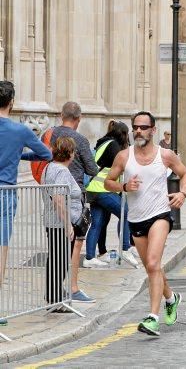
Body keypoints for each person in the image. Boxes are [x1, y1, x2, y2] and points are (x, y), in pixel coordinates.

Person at [104, 111, 186, 336]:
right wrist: (123, 187)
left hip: (160, 215)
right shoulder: (124, 156)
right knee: (152, 268)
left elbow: (185, 174)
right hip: (136, 219)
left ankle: (152, 317)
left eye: (143, 127)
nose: (139, 131)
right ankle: (171, 298)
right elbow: (107, 182)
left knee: (153, 263)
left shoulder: (166, 155)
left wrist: (182, 193)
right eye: (136, 127)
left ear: (153, 130)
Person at [0, 81, 52, 296]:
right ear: (12, 102)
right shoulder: (20, 130)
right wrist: (19, 154)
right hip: (5, 193)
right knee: (1, 246)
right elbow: (46, 155)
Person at [50, 102, 99, 302]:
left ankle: (55, 290)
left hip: (50, 193)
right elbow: (92, 169)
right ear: (78, 119)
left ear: (62, 115)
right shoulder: (79, 139)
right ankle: (73, 287)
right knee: (75, 244)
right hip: (73, 198)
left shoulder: (49, 134)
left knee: (55, 247)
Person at [43, 137, 95, 305]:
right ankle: (55, 299)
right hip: (62, 224)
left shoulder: (48, 167)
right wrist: (67, 225)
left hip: (53, 221)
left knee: (56, 261)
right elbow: (58, 198)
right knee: (60, 262)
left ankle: (54, 295)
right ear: (70, 153)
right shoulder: (62, 171)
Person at [84, 120, 138, 269]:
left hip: (94, 189)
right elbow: (123, 166)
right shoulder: (113, 145)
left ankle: (90, 257)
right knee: (126, 212)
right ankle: (126, 248)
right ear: (122, 134)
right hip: (102, 189)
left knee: (97, 223)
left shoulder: (103, 142)